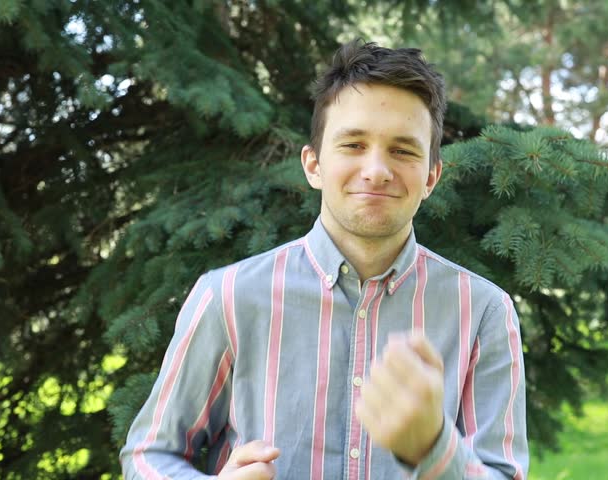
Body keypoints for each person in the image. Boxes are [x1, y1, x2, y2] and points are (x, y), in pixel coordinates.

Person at [120, 39, 528, 480]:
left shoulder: (485, 311)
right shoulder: (228, 296)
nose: (376, 170)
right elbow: (148, 456)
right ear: (313, 165)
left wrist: (434, 450)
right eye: (353, 144)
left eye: (403, 150)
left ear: (431, 176)